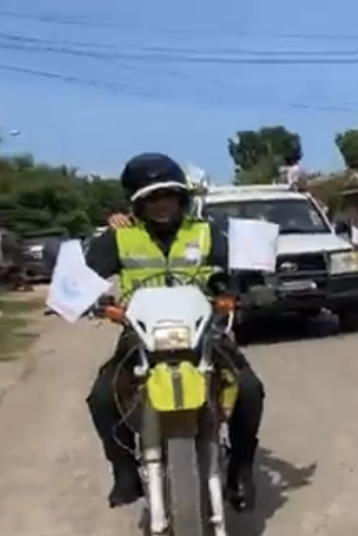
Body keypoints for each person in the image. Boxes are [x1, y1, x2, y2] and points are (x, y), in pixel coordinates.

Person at [85, 153, 266, 511]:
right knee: (103, 396)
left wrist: (243, 288)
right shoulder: (118, 237)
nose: (162, 204)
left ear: (181, 197)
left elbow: (239, 271)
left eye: (168, 195)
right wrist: (87, 299)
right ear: (137, 202)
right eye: (152, 198)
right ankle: (124, 470)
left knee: (248, 388)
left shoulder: (206, 231)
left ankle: (240, 470)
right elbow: (84, 276)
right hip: (140, 332)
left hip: (202, 329)